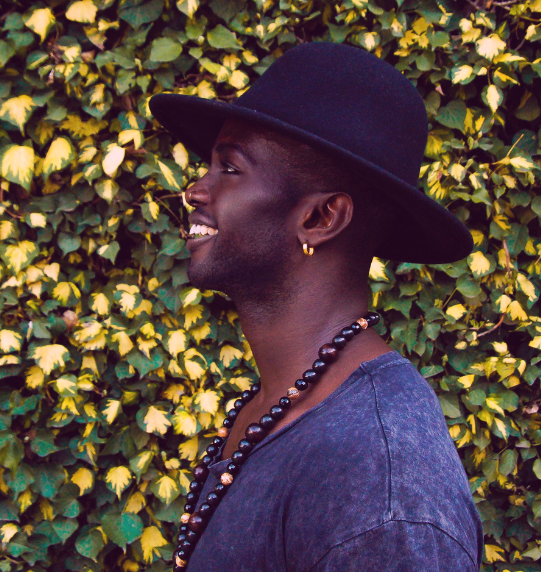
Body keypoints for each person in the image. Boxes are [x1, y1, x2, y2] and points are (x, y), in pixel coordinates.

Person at [149, 42, 483, 572]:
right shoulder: (277, 404)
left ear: (321, 218)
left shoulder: (382, 485)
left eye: (230, 169)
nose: (194, 191)